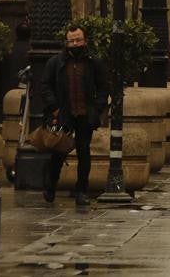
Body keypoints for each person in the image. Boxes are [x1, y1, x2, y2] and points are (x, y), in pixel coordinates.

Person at [40, 24, 109, 206]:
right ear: (66, 42)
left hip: (85, 114)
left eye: (78, 40)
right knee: (58, 152)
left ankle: (81, 191)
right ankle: (50, 186)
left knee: (84, 153)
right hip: (64, 114)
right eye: (72, 41)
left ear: (85, 40)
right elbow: (45, 86)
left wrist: (97, 108)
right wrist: (55, 108)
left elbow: (103, 87)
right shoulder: (56, 62)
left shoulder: (94, 62)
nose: (75, 43)